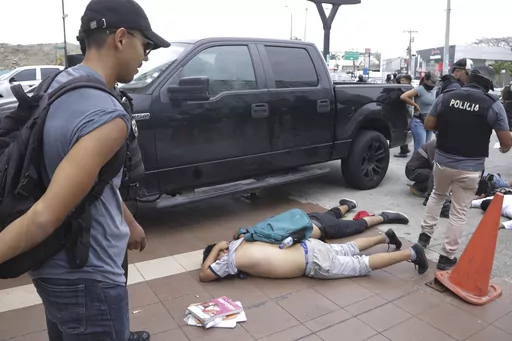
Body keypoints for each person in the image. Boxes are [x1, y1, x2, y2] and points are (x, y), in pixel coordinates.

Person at [0, 1, 170, 340]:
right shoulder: (107, 117)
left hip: (51, 268)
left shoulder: (59, 84)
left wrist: (129, 221)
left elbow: (84, 180)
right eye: (146, 45)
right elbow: (45, 215)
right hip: (87, 277)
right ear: (121, 38)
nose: (146, 57)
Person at [417, 65, 512, 270]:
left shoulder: (447, 96)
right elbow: (506, 141)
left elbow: (428, 125)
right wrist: (504, 149)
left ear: (469, 78)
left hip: (442, 161)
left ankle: (423, 239)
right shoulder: (493, 105)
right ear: (489, 84)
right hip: (470, 167)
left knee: (436, 195)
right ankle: (446, 257)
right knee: (459, 212)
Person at [199, 226, 429, 283]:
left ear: (222, 254)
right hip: (309, 245)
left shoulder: (230, 258)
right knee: (347, 248)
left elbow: (205, 275)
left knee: (361, 265)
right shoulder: (243, 239)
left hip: (313, 263)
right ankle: (385, 237)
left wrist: (218, 248)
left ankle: (411, 253)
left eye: (218, 256)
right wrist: (224, 243)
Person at [233, 199, 410, 241]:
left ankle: (384, 216)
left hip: (325, 227)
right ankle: (348, 204)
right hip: (305, 217)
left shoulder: (265, 242)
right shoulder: (255, 230)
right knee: (331, 213)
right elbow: (238, 233)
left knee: (358, 225)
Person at [400, 71, 438, 152]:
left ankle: (422, 165)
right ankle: (415, 165)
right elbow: (403, 97)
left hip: (429, 121)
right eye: (432, 82)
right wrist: (414, 105)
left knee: (426, 150)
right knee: (420, 150)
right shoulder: (419, 89)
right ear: (426, 80)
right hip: (419, 122)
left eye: (435, 82)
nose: (434, 84)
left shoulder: (432, 91)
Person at [395, 74, 414, 158]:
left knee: (404, 130)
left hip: (406, 113)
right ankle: (405, 148)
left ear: (408, 81)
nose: (401, 81)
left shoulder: (406, 89)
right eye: (401, 80)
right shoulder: (410, 88)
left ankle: (403, 151)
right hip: (407, 112)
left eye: (403, 80)